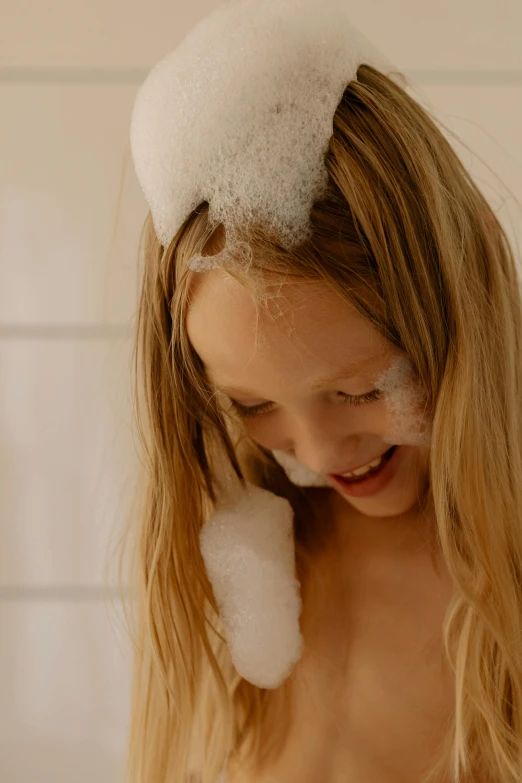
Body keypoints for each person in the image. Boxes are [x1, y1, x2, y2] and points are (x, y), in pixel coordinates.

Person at [119, 1, 522, 781]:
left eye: (360, 389)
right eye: (253, 404)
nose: (316, 450)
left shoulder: (501, 589)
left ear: (460, 301)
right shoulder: (234, 552)